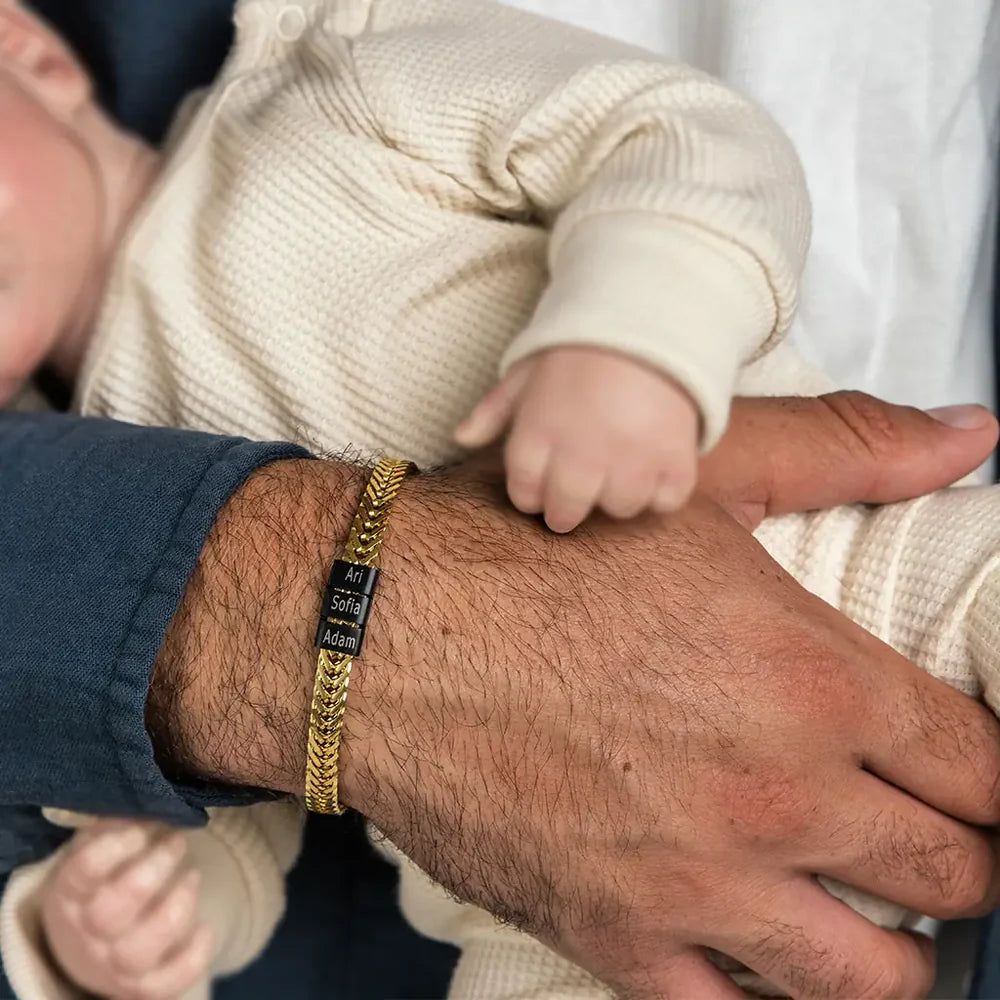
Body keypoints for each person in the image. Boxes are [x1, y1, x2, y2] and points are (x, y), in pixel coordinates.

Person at [2, 4, 1000, 1000]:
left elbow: (674, 133)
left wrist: (634, 334)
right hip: (560, 900)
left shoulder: (326, 87)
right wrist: (124, 920)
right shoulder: (76, 529)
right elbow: (235, 776)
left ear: (29, 52)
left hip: (839, 570)